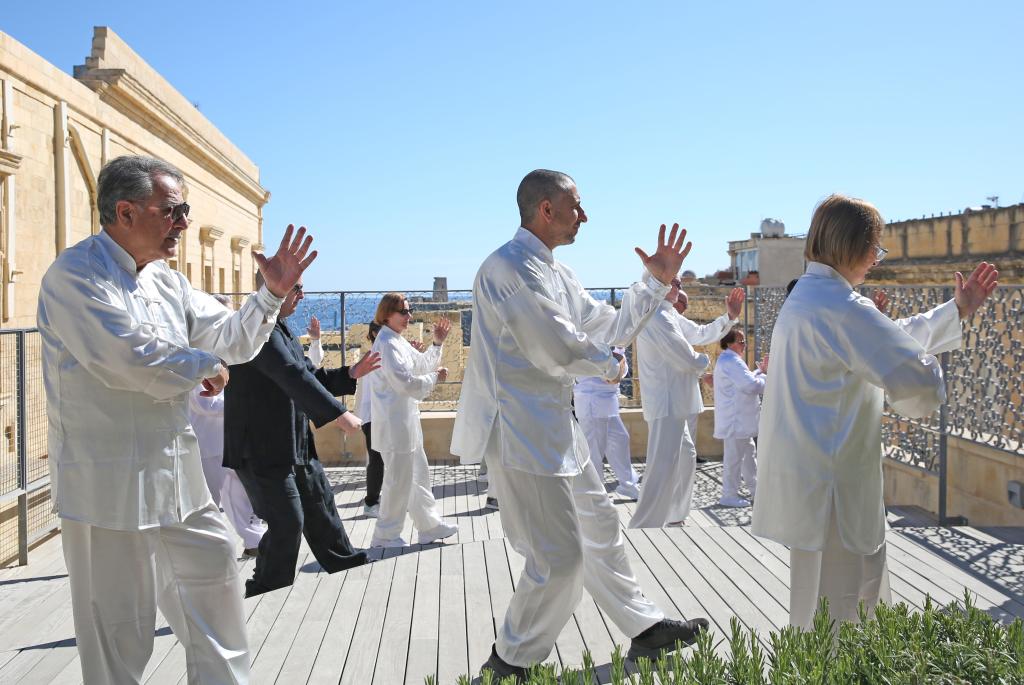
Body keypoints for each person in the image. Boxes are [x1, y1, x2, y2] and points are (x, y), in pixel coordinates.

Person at [37, 154, 315, 683]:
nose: (184, 222)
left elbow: (231, 339)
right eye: (173, 210)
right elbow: (126, 356)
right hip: (107, 486)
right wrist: (202, 365)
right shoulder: (75, 276)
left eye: (185, 210)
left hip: (177, 477)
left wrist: (272, 295)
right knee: (119, 629)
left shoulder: (168, 281)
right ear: (124, 212)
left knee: (217, 581)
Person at [452, 169, 709, 679]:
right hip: (520, 432)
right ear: (546, 210)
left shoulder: (558, 272)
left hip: (557, 427)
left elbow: (608, 324)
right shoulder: (507, 269)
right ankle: (508, 663)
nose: (584, 216)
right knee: (559, 559)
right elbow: (557, 346)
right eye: (577, 206)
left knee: (601, 525)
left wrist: (654, 283)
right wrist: (610, 364)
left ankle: (644, 628)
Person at [751, 193, 998, 630]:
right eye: (874, 248)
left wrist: (954, 310)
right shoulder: (842, 307)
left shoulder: (808, 296)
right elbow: (914, 376)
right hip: (836, 493)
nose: (876, 261)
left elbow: (886, 339)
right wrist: (927, 374)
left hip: (812, 483)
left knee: (815, 611)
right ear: (850, 244)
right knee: (844, 617)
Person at [224, 275, 380, 597]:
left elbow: (308, 372)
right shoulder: (257, 329)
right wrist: (339, 413)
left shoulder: (280, 327)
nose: (302, 294)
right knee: (287, 521)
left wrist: (349, 374)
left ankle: (344, 562)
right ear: (272, 288)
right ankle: (265, 589)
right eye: (296, 287)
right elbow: (290, 375)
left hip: (292, 441)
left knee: (319, 501)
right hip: (261, 447)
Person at [369, 294, 459, 547]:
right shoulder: (386, 344)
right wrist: (434, 379)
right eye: (403, 311)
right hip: (394, 424)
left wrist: (437, 344)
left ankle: (429, 526)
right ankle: (385, 536)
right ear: (387, 314)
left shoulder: (396, 340)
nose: (409, 316)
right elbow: (405, 382)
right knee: (398, 481)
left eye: (409, 310)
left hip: (406, 422)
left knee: (418, 475)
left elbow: (420, 365)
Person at [188, 296, 268, 557]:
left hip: (227, 440)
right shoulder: (197, 357)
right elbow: (205, 404)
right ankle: (202, 550)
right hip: (207, 444)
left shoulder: (223, 356)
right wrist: (240, 406)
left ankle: (254, 541)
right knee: (207, 500)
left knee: (237, 495)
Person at [629, 278, 711, 528]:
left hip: (675, 403)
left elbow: (700, 333)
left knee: (686, 456)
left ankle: (675, 515)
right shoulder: (658, 317)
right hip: (666, 403)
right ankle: (645, 524)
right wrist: (704, 363)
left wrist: (728, 318)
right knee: (662, 464)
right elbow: (685, 357)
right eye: (674, 283)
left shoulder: (669, 314)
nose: (679, 286)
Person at [573, 346, 640, 500]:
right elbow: (600, 368)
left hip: (608, 400)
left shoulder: (613, 338)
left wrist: (619, 368)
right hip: (592, 399)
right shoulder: (590, 335)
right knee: (594, 451)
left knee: (620, 440)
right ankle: (596, 494)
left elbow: (621, 365)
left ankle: (627, 485)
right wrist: (614, 368)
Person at [711, 328, 766, 507]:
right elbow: (750, 386)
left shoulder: (730, 360)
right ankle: (729, 495)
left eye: (744, 341)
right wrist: (767, 376)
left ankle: (757, 492)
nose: (744, 345)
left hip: (739, 421)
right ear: (729, 343)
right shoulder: (732, 362)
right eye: (741, 341)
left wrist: (760, 373)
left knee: (749, 456)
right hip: (736, 421)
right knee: (734, 460)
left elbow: (746, 380)